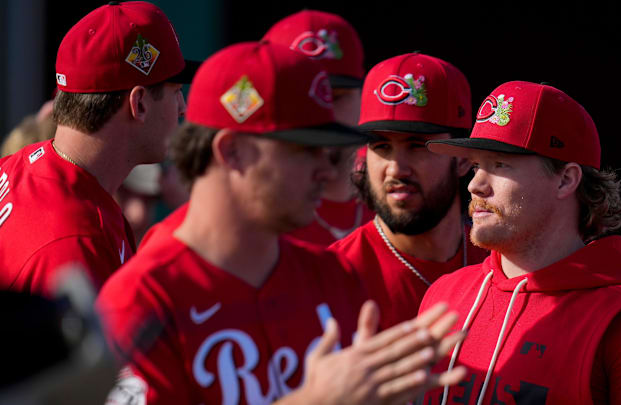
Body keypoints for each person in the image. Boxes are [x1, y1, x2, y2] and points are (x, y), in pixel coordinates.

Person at [96, 41, 467, 405]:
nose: (326, 168)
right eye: (304, 149)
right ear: (232, 151)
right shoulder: (142, 301)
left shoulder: (333, 277)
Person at [418, 81, 621, 404]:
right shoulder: (443, 295)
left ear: (566, 179)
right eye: (477, 165)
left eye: (500, 164)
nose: (475, 185)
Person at [0, 1, 195, 295]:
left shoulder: (21, 164)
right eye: (176, 92)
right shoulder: (73, 244)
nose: (182, 108)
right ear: (139, 104)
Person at [329, 53, 489, 331]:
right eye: (381, 147)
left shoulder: (500, 264)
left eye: (417, 145)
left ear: (463, 157)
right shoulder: (333, 276)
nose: (395, 169)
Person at [263, 9, 373, 246]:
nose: (321, 114)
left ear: (362, 97)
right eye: (301, 98)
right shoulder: (251, 226)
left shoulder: (397, 213)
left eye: (335, 96)